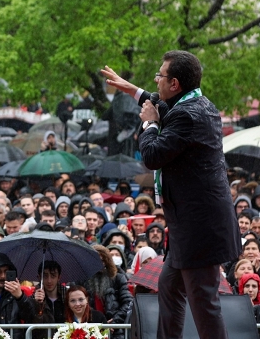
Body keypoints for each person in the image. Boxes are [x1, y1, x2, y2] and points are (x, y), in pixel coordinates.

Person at [102, 51, 241, 339]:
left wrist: (149, 124)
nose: (156, 80)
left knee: (204, 303)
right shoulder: (196, 105)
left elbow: (152, 155)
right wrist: (131, 89)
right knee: (168, 287)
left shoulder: (186, 115)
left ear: (175, 83)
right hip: (189, 226)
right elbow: (160, 105)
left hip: (199, 228)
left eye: (160, 76)